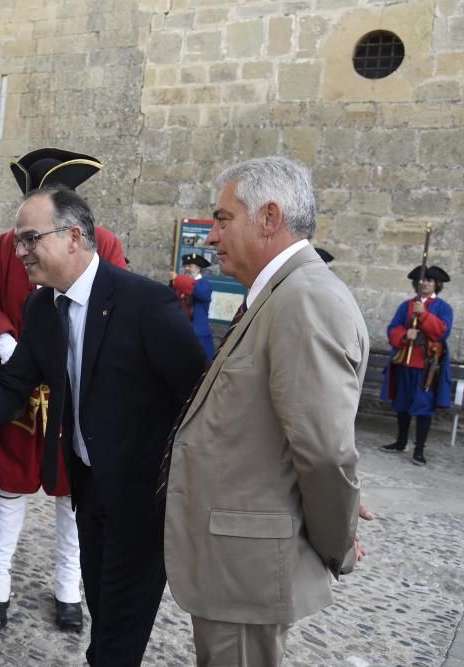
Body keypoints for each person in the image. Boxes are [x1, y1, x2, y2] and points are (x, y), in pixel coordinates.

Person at [0, 185, 206, 664]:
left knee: (115, 643)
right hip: (88, 492)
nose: (19, 251)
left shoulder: (146, 304)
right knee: (104, 617)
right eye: (16, 241)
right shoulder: (42, 307)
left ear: (73, 236)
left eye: (30, 239)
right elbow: (14, 384)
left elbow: (202, 399)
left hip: (142, 501)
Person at [162, 156, 368, 666]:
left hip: (247, 571)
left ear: (269, 218)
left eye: (223, 219)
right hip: (232, 564)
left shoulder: (305, 299)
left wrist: (335, 543)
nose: (212, 237)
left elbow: (323, 451)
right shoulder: (279, 294)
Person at [0, 148, 128, 632]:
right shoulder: (6, 246)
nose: (25, 245)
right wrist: (4, 341)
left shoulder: (105, 244)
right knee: (10, 487)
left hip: (75, 394)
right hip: (17, 390)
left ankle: (69, 587)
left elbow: (117, 313)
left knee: (73, 492)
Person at [379, 265, 454, 466]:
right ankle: (401, 442)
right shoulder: (406, 305)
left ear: (436, 284)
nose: (425, 283)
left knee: (423, 407)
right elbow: (392, 329)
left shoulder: (443, 308)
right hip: (405, 361)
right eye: (422, 280)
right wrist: (405, 334)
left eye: (429, 280)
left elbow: (442, 333)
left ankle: (419, 449)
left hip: (427, 367)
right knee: (402, 405)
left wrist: (424, 315)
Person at [169, 252, 215, 360]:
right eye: (185, 266)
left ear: (199, 268)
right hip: (179, 334)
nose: (187, 268)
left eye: (190, 266)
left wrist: (178, 279)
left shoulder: (205, 285)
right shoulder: (178, 285)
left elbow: (199, 292)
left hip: (197, 337)